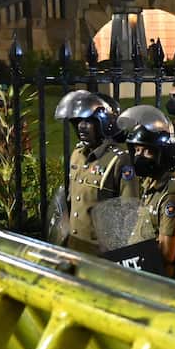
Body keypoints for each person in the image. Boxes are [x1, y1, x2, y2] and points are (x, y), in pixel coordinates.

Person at [55, 90, 139, 254]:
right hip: (74, 248)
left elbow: (129, 212)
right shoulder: (77, 156)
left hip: (100, 254)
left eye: (88, 121)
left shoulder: (119, 160)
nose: (81, 126)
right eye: (78, 121)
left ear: (104, 123)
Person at [125, 107, 175, 279]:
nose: (139, 156)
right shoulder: (151, 183)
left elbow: (166, 254)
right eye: (137, 150)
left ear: (165, 154)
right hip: (143, 272)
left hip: (161, 278)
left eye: (147, 151)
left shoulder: (172, 196)